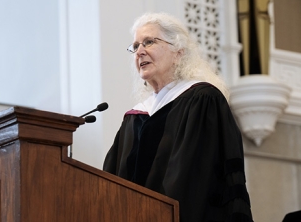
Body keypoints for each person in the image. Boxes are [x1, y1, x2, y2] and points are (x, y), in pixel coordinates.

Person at [103, 12, 253, 222]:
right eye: (135, 46)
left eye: (149, 42)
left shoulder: (203, 100)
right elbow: (112, 182)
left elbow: (197, 179)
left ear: (178, 52)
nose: (140, 52)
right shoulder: (134, 118)